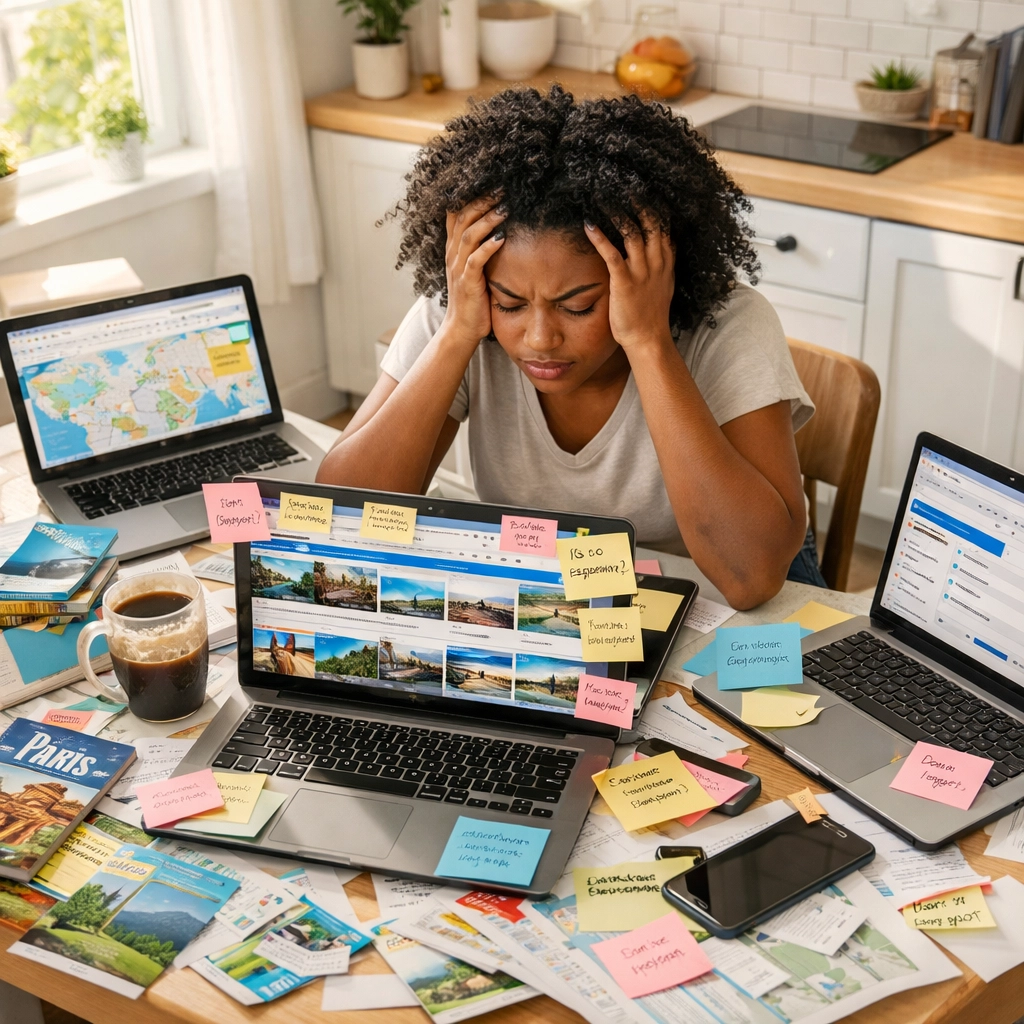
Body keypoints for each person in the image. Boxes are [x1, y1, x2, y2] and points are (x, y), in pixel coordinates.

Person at [316, 86, 822, 609]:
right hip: (567, 599)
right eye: (510, 304)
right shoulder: (463, 311)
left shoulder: (728, 327)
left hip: (710, 595)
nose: (539, 339)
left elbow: (751, 578)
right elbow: (338, 519)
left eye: (577, 306)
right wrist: (457, 334)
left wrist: (648, 343)